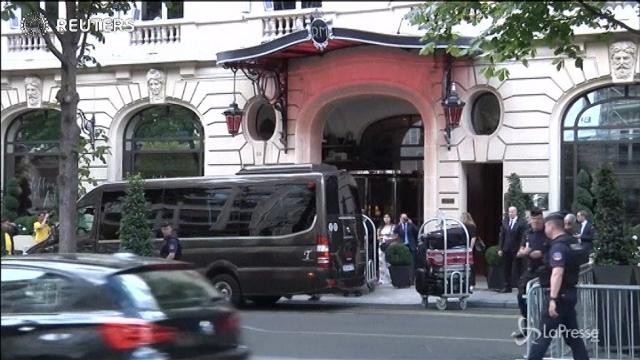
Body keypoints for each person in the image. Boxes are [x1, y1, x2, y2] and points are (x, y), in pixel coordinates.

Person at [527, 212, 589, 360]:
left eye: (545, 226)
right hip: (569, 294)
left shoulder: (558, 246)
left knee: (543, 336)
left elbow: (557, 273)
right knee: (573, 338)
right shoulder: (572, 242)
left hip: (559, 295)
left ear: (550, 226)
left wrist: (553, 299)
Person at [512, 208, 549, 339]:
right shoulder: (528, 233)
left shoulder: (547, 232)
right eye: (534, 219)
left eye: (538, 219)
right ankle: (527, 326)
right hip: (530, 270)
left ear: (542, 219)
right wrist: (525, 252)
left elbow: (547, 250)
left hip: (544, 271)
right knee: (521, 296)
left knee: (542, 301)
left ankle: (543, 329)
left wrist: (541, 253)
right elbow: (520, 251)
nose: (536, 222)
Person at [498, 206, 527, 293]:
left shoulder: (521, 223)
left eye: (512, 212)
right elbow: (502, 236)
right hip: (507, 249)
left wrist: (521, 248)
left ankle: (520, 287)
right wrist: (500, 248)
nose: (511, 213)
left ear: (516, 212)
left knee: (519, 268)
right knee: (506, 269)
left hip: (517, 249)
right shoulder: (505, 222)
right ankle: (507, 287)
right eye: (509, 212)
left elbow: (523, 237)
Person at [377, 214, 397, 285]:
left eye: (388, 217)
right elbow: (378, 237)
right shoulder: (380, 227)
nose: (386, 219)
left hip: (389, 245)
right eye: (385, 217)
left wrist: (386, 237)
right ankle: (382, 279)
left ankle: (390, 278)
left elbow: (395, 236)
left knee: (389, 262)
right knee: (381, 262)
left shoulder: (393, 226)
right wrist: (381, 238)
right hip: (381, 245)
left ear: (390, 218)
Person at [460, 212, 478, 290]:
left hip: (467, 248)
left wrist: (470, 247)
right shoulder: (471, 225)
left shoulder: (468, 226)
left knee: (470, 265)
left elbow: (473, 238)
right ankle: (471, 283)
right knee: (469, 265)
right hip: (467, 248)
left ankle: (471, 283)